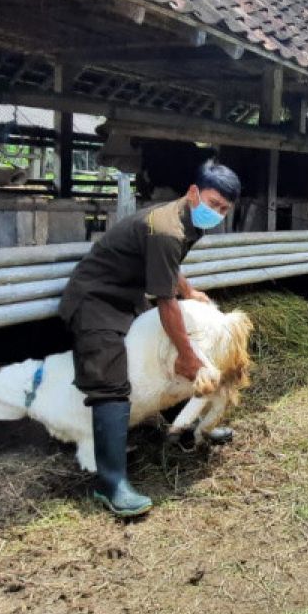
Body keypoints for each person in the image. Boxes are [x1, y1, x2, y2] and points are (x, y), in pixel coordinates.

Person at [58, 161, 241, 517]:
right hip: (95, 300)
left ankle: (185, 427)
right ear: (193, 192)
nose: (216, 212)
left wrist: (190, 290)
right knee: (111, 382)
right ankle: (111, 485)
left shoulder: (188, 222)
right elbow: (165, 301)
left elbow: (169, 270)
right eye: (213, 202)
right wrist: (190, 355)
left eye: (224, 209)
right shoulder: (167, 228)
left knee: (162, 355)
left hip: (127, 295)